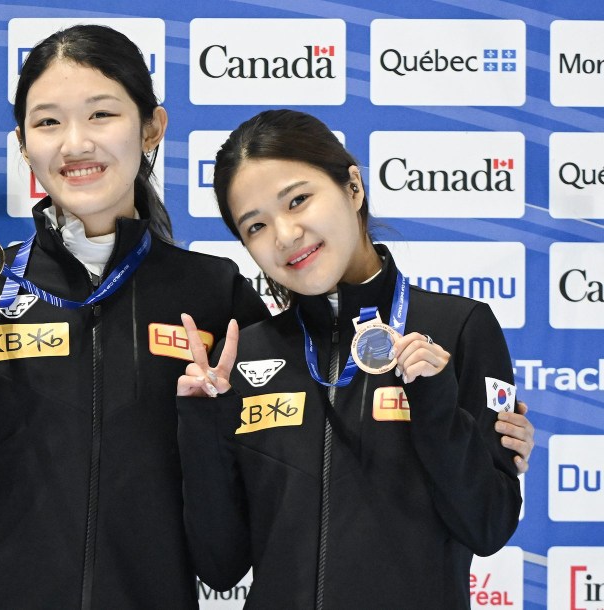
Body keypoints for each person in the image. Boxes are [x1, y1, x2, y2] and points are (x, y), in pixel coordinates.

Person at [0, 24, 271, 609]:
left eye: (101, 115)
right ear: (22, 143)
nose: (75, 144)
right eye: (47, 122)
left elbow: (226, 557)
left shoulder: (214, 293)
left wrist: (204, 423)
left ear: (151, 128)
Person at [175, 109, 527, 609]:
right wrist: (202, 421)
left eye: (298, 199)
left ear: (353, 188)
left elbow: (488, 524)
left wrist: (434, 403)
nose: (285, 235)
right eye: (255, 225)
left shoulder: (461, 328)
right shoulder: (247, 355)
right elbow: (220, 564)